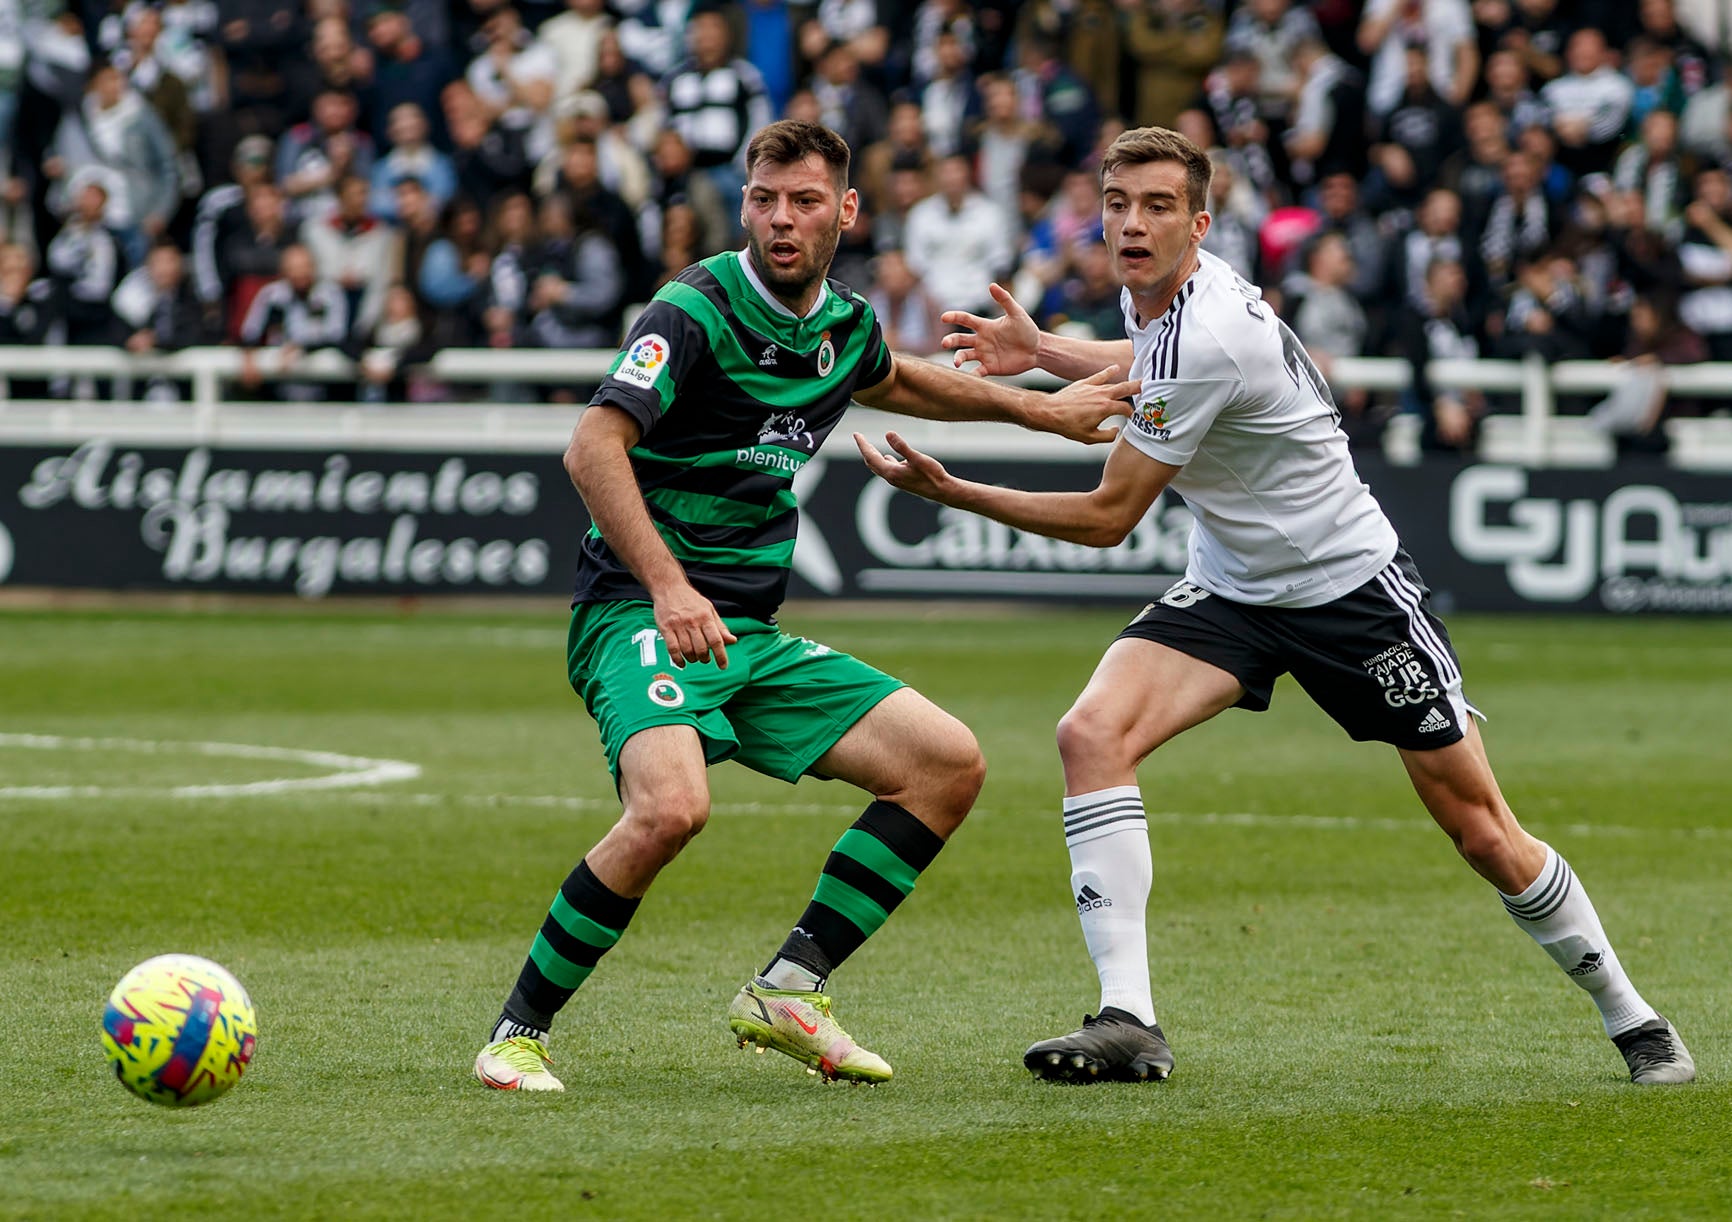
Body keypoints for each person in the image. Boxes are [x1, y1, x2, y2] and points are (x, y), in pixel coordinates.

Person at [857, 125, 1695, 1088]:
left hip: (1351, 594)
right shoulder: (1170, 308)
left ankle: (1634, 1018)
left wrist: (955, 492)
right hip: (1233, 588)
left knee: (1482, 830)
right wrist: (1041, 347)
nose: (1134, 223)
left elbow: (1106, 518)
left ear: (1199, 222)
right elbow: (1140, 362)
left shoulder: (1206, 335)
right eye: (1120, 203)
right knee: (1091, 735)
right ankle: (1129, 1017)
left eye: (1159, 206)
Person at [472, 119, 1137, 1093]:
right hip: (637, 613)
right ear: (745, 204)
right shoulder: (691, 309)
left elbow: (899, 377)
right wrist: (668, 586)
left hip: (748, 631)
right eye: (764, 200)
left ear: (846, 211)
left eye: (804, 201)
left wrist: (1039, 407)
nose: (781, 220)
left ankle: (790, 989)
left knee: (945, 764)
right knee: (670, 808)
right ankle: (515, 1033)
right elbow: (590, 447)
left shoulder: (844, 328)